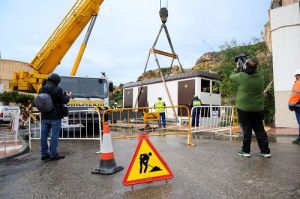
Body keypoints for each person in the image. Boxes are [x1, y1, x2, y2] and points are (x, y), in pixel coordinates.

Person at [230, 56, 271, 158]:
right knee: (260, 130)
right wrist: (246, 62)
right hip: (258, 108)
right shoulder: (260, 76)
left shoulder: (241, 76)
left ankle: (246, 151)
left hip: (244, 108)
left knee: (247, 130)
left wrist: (237, 67)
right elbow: (253, 69)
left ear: (245, 66)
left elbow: (231, 76)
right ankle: (265, 151)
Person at [39, 73, 72, 161]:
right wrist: (68, 96)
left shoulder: (42, 88)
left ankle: (44, 154)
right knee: (54, 136)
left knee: (43, 136)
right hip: (56, 116)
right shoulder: (58, 89)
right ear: (57, 81)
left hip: (45, 115)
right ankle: (53, 154)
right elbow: (63, 101)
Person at [288, 69, 300, 145]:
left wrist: (291, 105)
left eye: (296, 76)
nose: (295, 77)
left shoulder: (298, 83)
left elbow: (295, 96)